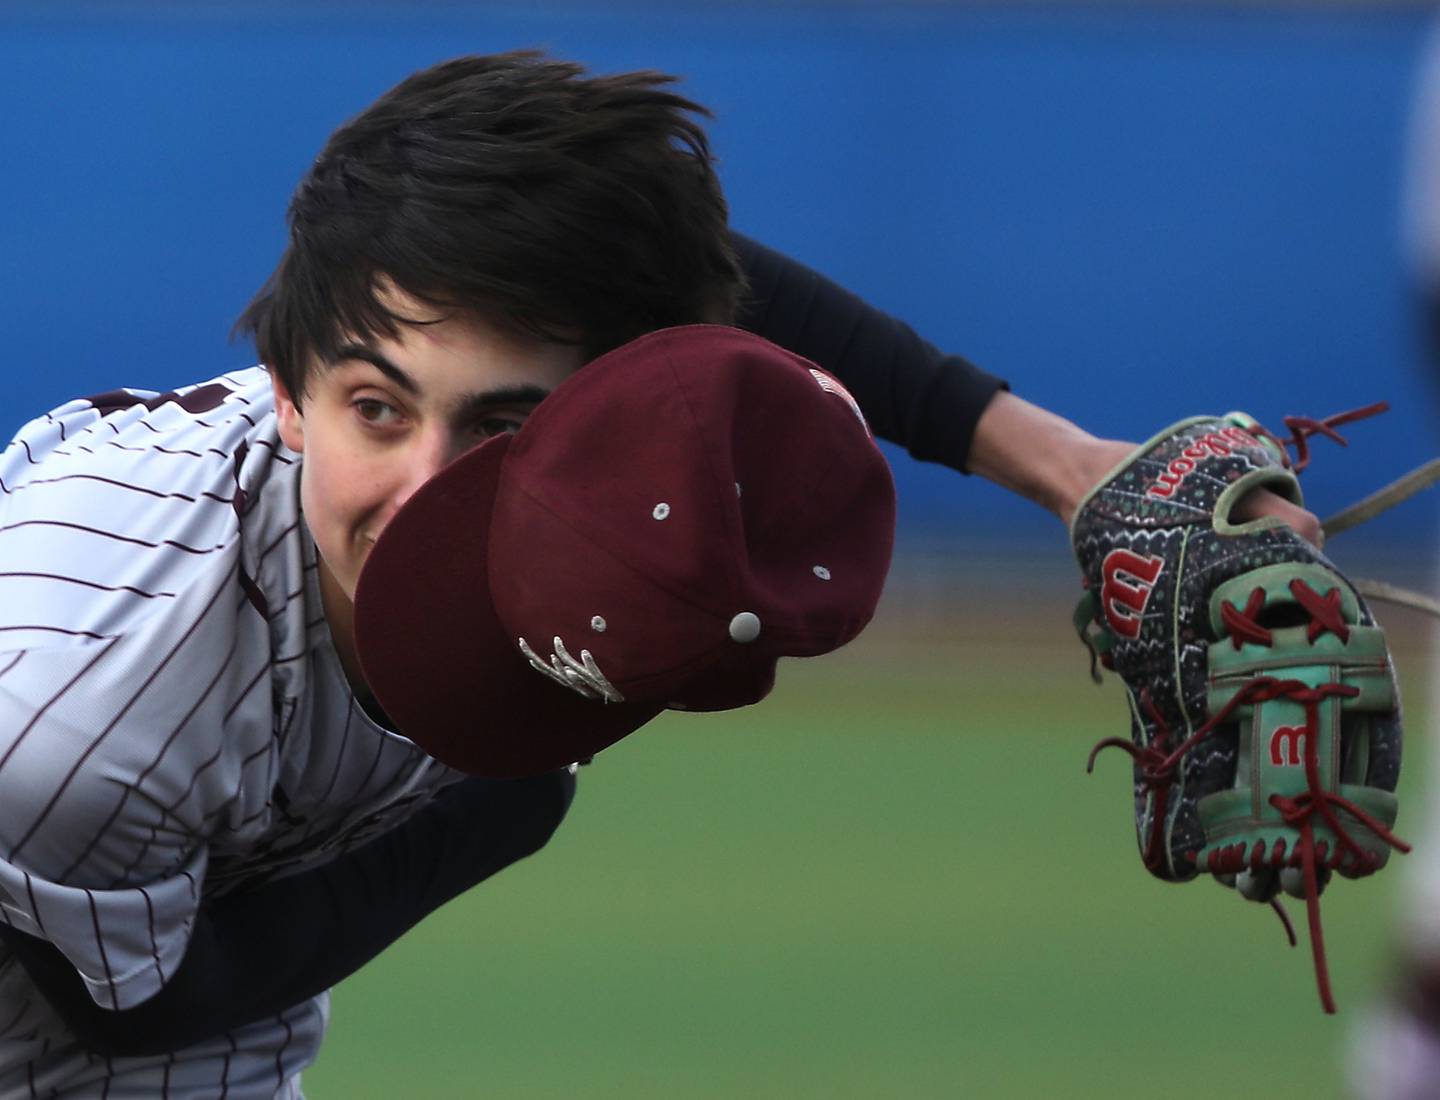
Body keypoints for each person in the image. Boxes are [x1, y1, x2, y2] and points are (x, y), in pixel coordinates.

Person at [0, 51, 1314, 1098]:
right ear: (289, 394)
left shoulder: (569, 467)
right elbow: (141, 1009)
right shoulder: (90, 704)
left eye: (504, 426)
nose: (425, 488)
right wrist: (521, 784)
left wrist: (1070, 465)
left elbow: (710, 302)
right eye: (378, 410)